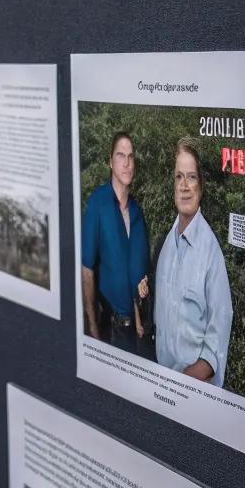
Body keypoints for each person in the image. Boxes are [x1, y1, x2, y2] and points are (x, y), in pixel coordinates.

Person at [154, 138, 233, 387]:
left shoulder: (211, 253)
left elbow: (214, 349)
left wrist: (179, 386)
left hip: (193, 397)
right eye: (179, 177)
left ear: (202, 186)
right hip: (163, 388)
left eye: (191, 177)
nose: (184, 186)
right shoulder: (166, 244)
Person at [81, 132, 151, 353]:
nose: (127, 163)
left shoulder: (138, 213)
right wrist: (93, 333)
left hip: (135, 333)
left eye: (131, 156)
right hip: (109, 330)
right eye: (121, 156)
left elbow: (132, 274)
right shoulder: (98, 203)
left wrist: (139, 318)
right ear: (110, 162)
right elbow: (87, 271)